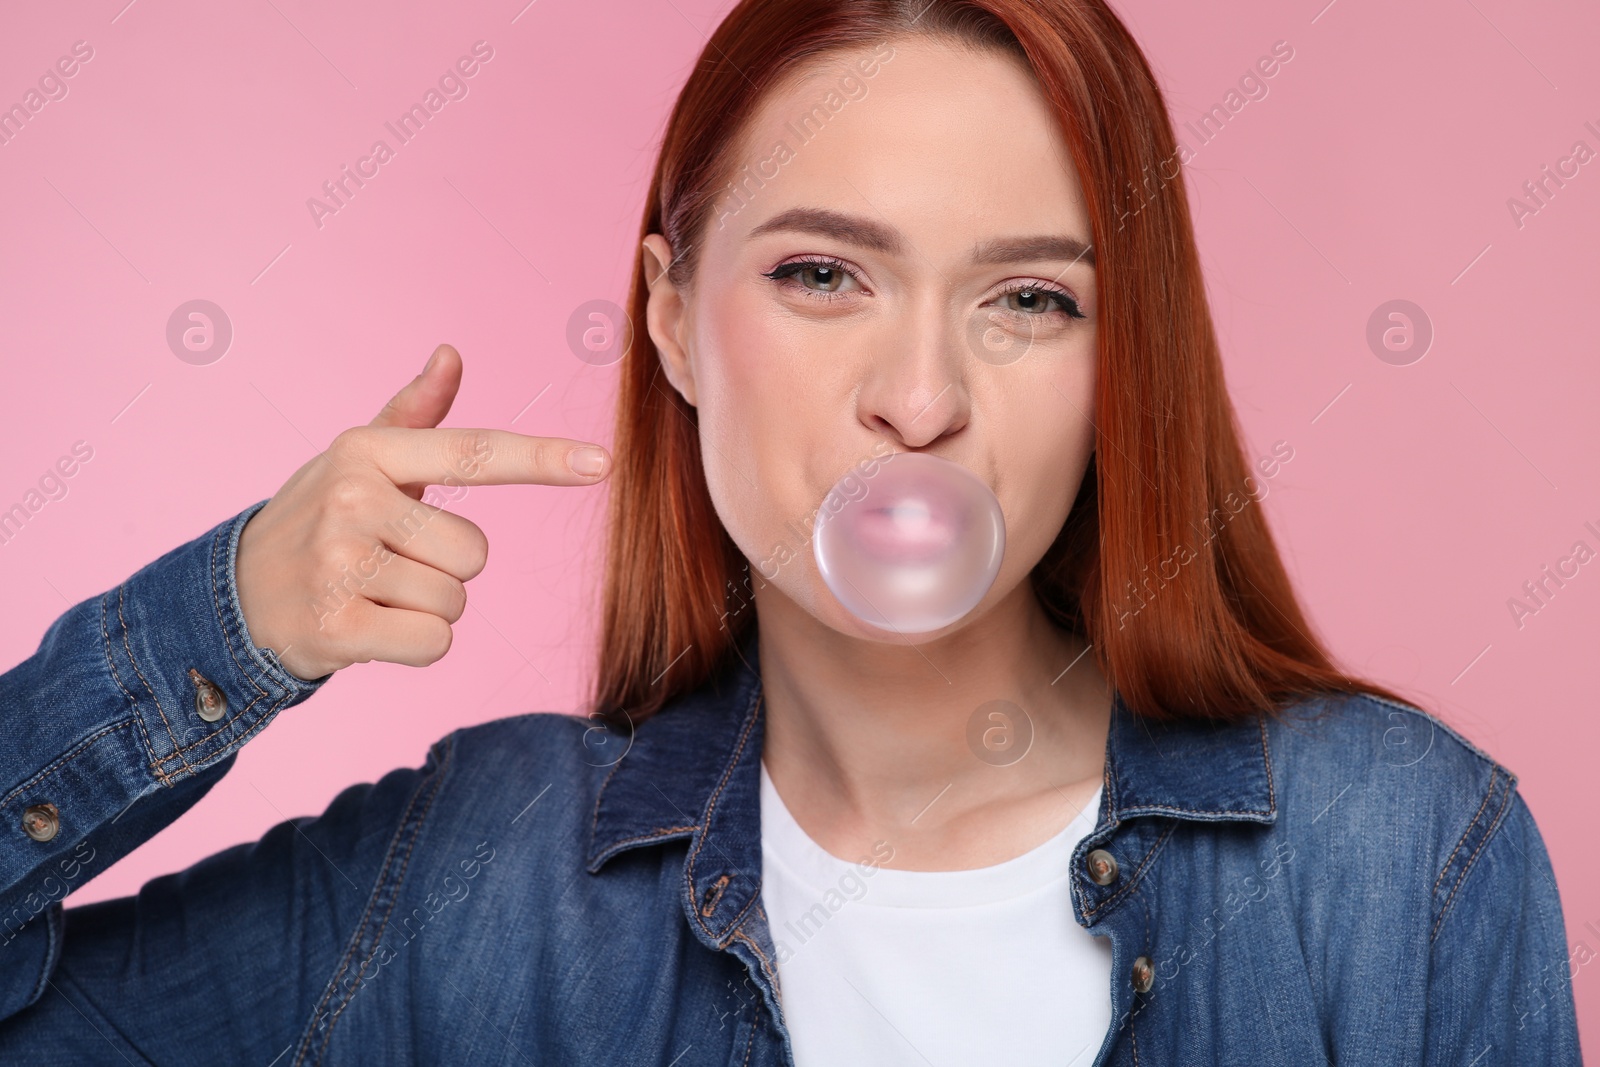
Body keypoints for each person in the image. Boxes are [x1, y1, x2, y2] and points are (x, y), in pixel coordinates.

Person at [0, 0, 1583, 1063]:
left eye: (1029, 300)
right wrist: (224, 638)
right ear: (675, 319)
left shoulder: (1407, 861)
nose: (919, 397)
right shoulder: (476, 880)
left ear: (1123, 365)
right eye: (824, 274)